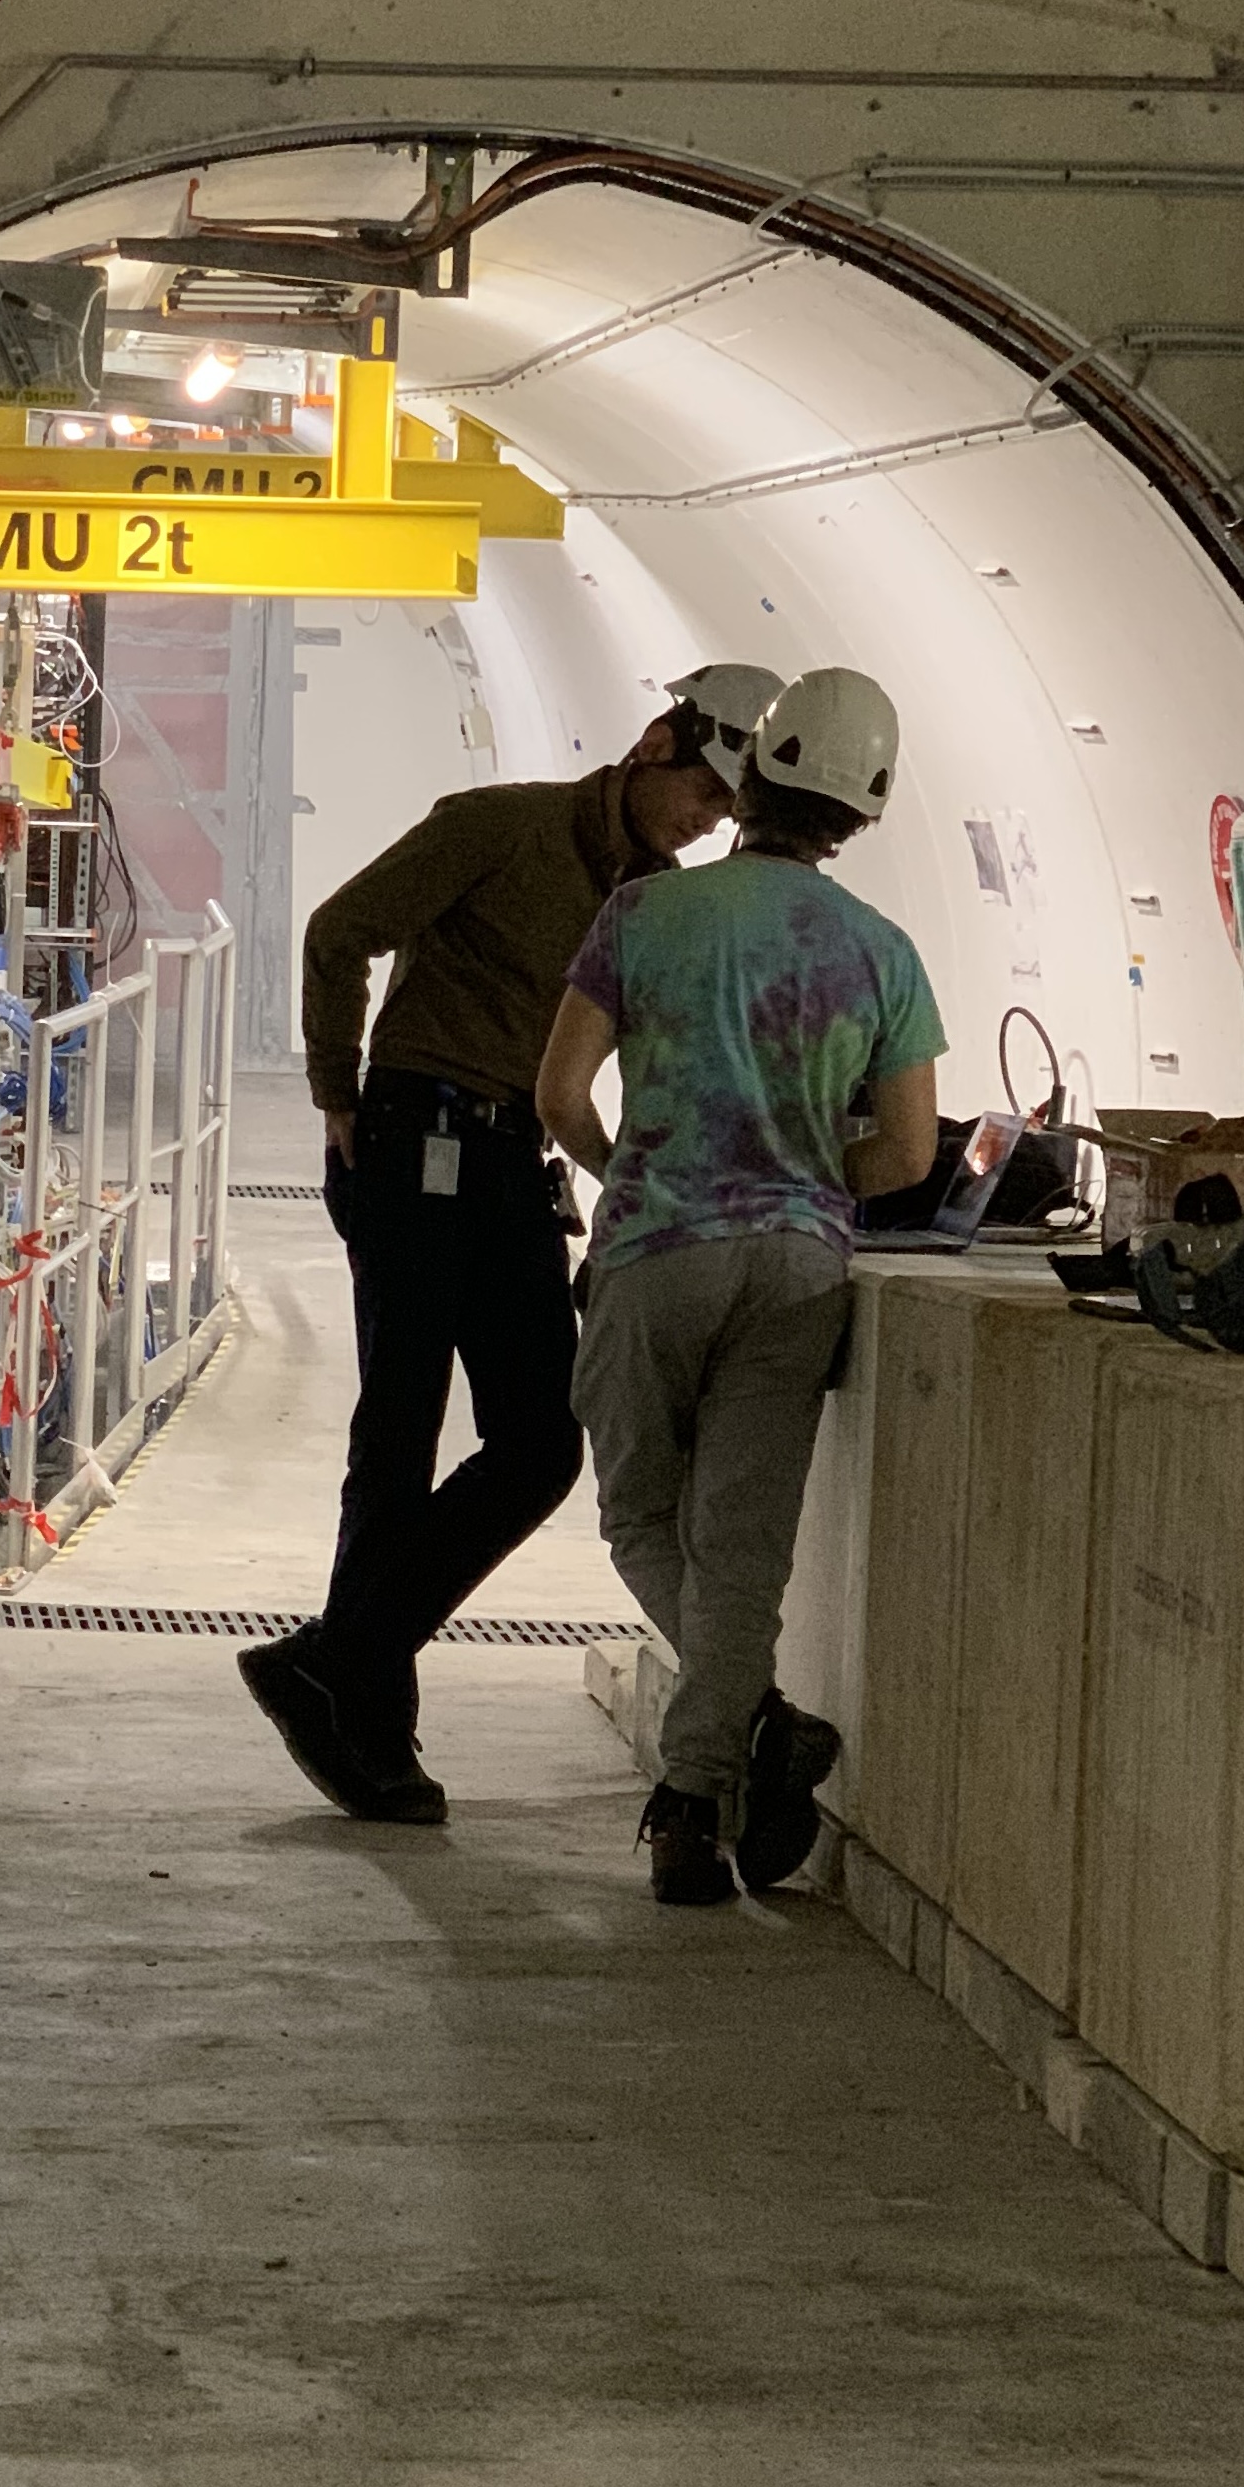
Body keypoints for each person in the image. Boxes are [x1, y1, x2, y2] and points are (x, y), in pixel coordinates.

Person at [239, 663, 786, 1823]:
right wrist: (339, 1090)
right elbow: (343, 933)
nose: (707, 820)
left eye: (727, 811)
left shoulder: (658, 906)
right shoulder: (501, 826)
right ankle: (371, 1733)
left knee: (542, 1437)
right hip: (417, 1137)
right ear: (655, 743)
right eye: (702, 790)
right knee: (395, 1432)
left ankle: (334, 1657)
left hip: (510, 1164)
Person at [533, 667, 942, 1904]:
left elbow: (558, 1096)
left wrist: (638, 1170)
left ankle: (751, 1741)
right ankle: (691, 1814)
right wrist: (808, 1174)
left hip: (657, 1252)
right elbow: (910, 1155)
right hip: (801, 1269)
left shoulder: (645, 915)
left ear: (752, 778)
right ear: (859, 817)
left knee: (642, 1522)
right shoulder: (884, 953)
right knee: (744, 1554)